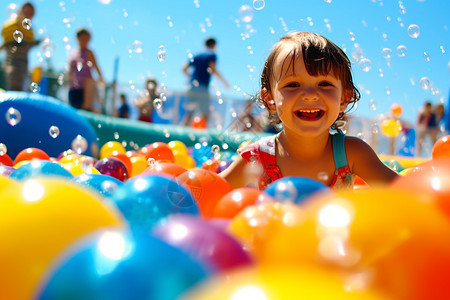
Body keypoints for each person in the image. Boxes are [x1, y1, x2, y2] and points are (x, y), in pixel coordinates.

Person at [220, 31, 398, 190]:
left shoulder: (352, 153)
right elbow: (209, 193)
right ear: (270, 99)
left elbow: (405, 192)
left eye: (324, 84)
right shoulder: (256, 157)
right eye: (293, 85)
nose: (310, 95)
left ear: (344, 99)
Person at [181, 37, 229, 127]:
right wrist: (225, 82)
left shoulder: (197, 55)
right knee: (206, 114)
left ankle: (180, 136)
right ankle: (200, 135)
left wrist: (191, 78)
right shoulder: (212, 55)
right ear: (213, 45)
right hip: (202, 87)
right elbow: (213, 70)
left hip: (191, 87)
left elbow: (183, 68)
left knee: (189, 114)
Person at [0, 2, 40, 91]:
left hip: (23, 63)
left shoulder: (30, 31)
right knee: (12, 82)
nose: (28, 15)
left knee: (19, 84)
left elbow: (30, 43)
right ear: (21, 11)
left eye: (30, 13)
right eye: (27, 12)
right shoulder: (10, 26)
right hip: (11, 61)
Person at [67, 28, 104, 111]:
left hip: (85, 88)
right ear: (77, 38)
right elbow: (70, 70)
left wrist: (101, 80)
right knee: (73, 108)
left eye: (86, 38)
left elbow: (96, 66)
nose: (84, 40)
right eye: (82, 38)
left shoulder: (89, 52)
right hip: (73, 87)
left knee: (84, 110)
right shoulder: (73, 53)